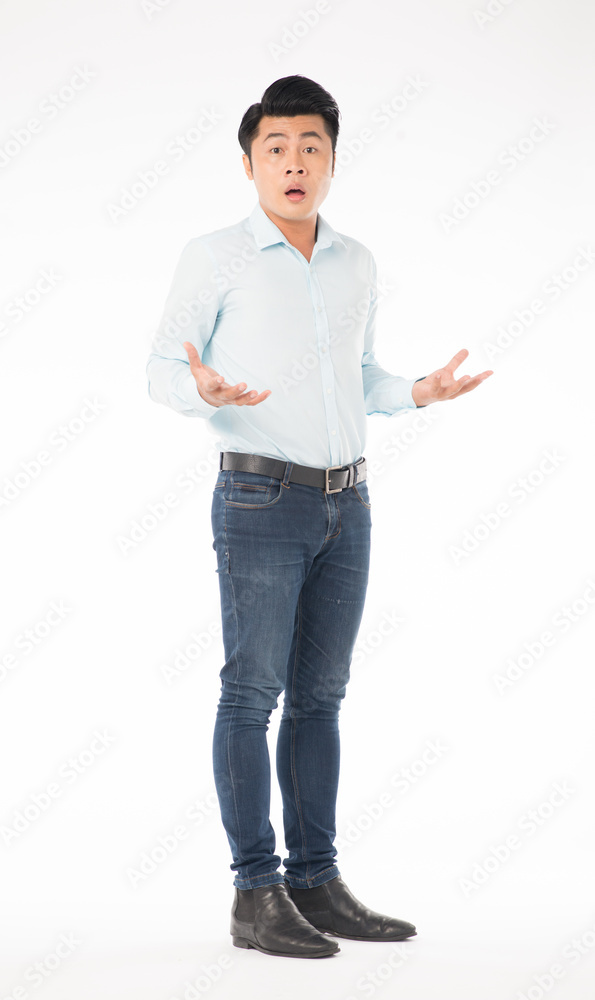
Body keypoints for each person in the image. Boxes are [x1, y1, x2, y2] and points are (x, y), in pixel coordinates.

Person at [146, 75, 493, 960]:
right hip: (260, 497)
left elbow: (362, 376)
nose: (294, 162)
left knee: (321, 699)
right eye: (276, 147)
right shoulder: (213, 255)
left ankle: (315, 880)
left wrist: (417, 392)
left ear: (333, 162)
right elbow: (160, 367)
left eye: (311, 147)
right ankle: (254, 893)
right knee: (250, 693)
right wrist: (202, 386)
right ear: (249, 161)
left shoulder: (356, 262)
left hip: (350, 500)